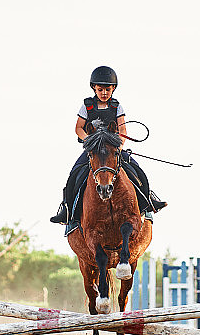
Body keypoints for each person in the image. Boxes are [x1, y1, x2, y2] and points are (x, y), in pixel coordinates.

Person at [50, 66, 167, 227]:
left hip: (113, 149)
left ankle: (149, 199)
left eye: (107, 89)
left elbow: (123, 130)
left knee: (137, 169)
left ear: (113, 89)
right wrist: (89, 141)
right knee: (74, 173)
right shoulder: (86, 106)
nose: (104, 93)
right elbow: (78, 129)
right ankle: (66, 210)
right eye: (100, 89)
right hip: (94, 150)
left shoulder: (117, 107)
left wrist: (118, 147)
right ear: (94, 88)